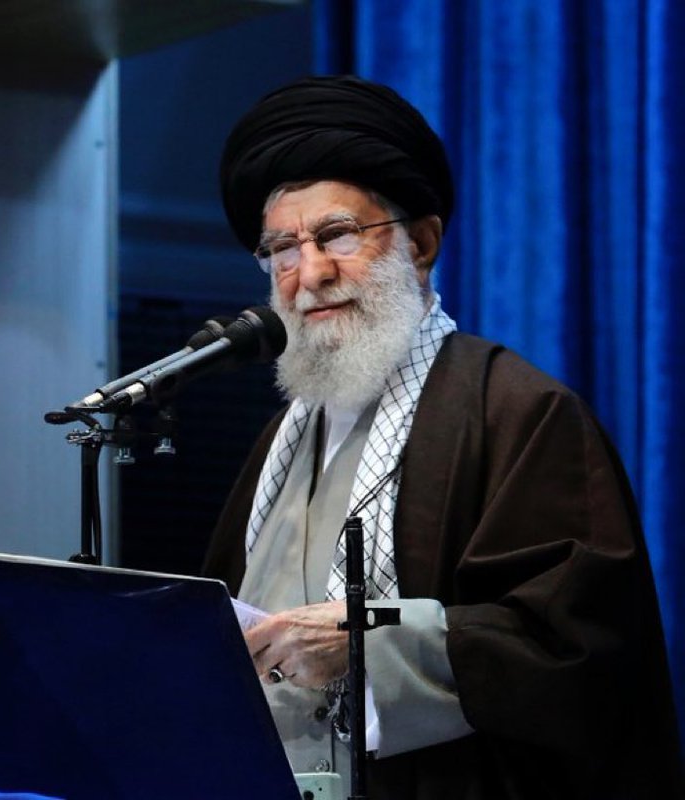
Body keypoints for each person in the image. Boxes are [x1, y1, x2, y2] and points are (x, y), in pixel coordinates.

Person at [202, 75, 683, 799]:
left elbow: (577, 649)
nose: (310, 274)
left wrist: (368, 648)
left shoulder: (519, 413)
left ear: (420, 242)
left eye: (337, 235)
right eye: (283, 250)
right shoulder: (281, 440)